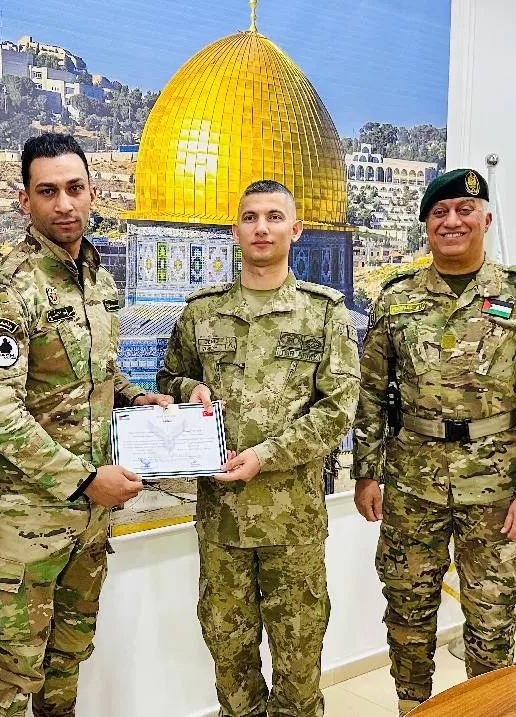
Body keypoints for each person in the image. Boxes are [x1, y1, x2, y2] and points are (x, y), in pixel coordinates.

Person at [0, 132, 171, 717]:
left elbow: (96, 375)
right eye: (47, 191)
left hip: (89, 524)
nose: (64, 204)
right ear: (24, 200)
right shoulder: (6, 290)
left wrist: (138, 399)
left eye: (75, 189)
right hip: (26, 526)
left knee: (68, 663)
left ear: (92, 193)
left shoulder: (97, 279)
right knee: (12, 679)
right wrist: (84, 480)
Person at [352, 168, 516, 716]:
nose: (452, 222)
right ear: (427, 225)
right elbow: (371, 393)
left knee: (492, 617)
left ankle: (489, 710)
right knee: (407, 610)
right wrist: (366, 473)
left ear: (485, 219)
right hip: (412, 482)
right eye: (439, 213)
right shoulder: (396, 300)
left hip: (498, 486)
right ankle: (413, 708)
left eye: (464, 210)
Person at [156, 179, 361, 717]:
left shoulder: (324, 314)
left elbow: (338, 409)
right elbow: (169, 377)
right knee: (230, 657)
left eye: (274, 217)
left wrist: (266, 456)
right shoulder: (202, 313)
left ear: (296, 230)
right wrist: (188, 389)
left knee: (298, 661)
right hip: (221, 522)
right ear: (235, 231)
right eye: (250, 218)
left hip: (292, 523)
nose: (261, 228)